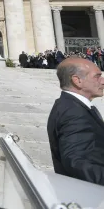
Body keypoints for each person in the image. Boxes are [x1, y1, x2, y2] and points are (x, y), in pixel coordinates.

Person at [47, 56, 104, 185]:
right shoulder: (73, 112)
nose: (102, 81)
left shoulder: (72, 106)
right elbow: (77, 162)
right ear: (77, 81)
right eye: (97, 76)